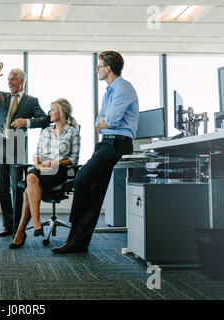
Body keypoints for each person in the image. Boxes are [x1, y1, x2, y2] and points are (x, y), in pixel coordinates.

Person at [52, 51, 139, 254]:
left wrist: (104, 123)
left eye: (99, 66)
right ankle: (78, 242)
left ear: (108, 68)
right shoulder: (109, 91)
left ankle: (75, 236)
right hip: (107, 143)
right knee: (94, 190)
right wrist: (103, 123)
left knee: (82, 180)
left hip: (117, 143)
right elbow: (98, 123)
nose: (97, 70)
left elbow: (112, 121)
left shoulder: (123, 88)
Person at [0, 64, 50, 237]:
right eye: (8, 79)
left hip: (17, 148)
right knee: (2, 188)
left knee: (17, 188)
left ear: (22, 81)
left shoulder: (31, 101)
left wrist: (27, 121)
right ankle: (7, 226)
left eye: (13, 78)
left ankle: (19, 226)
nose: (10, 82)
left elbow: (44, 120)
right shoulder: (1, 96)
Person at [10, 98, 80, 249]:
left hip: (57, 169)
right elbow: (38, 152)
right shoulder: (46, 130)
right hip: (42, 167)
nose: (49, 113)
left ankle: (22, 232)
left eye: (52, 110)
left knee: (29, 186)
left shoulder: (73, 132)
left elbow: (74, 159)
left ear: (62, 112)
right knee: (31, 177)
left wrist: (57, 162)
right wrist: (37, 163)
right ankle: (35, 224)